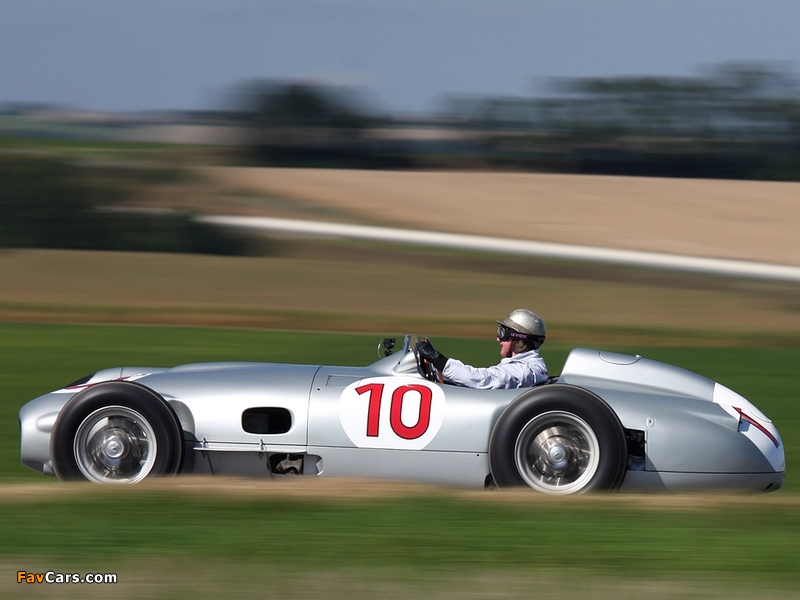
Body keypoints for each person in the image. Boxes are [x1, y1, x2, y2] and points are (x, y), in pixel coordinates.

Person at [417, 309, 548, 389]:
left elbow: (481, 379)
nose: (498, 339)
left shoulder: (522, 371)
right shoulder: (530, 366)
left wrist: (437, 359)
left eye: (502, 333)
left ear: (519, 339)